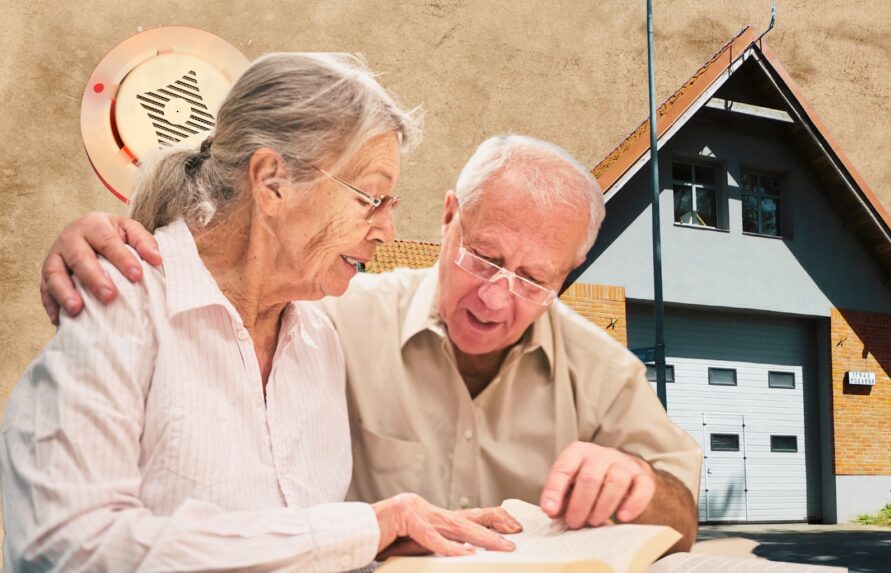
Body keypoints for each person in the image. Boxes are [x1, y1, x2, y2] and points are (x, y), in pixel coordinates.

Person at [40, 136, 704, 552]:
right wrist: (122, 249)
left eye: (533, 280)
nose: (496, 298)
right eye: (483, 257)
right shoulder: (333, 316)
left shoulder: (603, 369)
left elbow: (685, 512)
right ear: (448, 218)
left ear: (568, 275)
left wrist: (645, 483)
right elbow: (224, 281)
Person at [2, 52, 519, 572]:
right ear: (272, 181)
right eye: (370, 198)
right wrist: (364, 527)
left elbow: (286, 541)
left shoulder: (317, 336)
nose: (385, 230)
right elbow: (67, 546)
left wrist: (377, 545)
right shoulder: (122, 305)